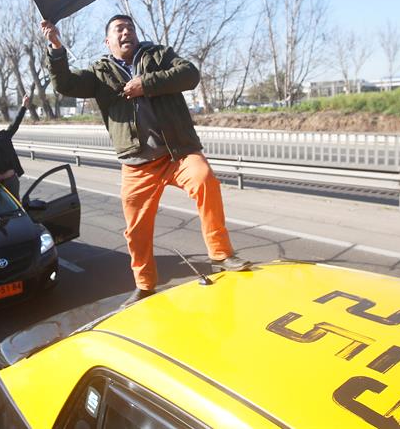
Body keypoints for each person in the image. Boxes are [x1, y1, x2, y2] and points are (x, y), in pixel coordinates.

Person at [41, 16, 250, 305]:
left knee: (205, 181)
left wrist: (146, 84)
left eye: (130, 28)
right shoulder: (99, 73)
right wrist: (55, 46)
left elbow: (190, 75)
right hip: (137, 164)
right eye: (119, 29)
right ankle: (145, 285)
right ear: (108, 41)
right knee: (136, 230)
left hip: (177, 153)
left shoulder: (158, 55)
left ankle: (221, 254)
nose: (126, 32)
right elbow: (64, 84)